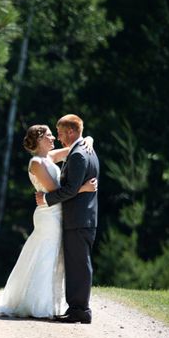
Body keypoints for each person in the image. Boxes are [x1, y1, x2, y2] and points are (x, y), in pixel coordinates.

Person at [0, 124, 96, 319]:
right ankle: (38, 305)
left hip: (57, 213)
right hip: (48, 215)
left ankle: (49, 304)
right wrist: (82, 188)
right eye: (49, 136)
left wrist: (89, 139)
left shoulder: (49, 158)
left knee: (53, 257)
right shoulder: (36, 163)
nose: (53, 138)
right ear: (39, 139)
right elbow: (55, 191)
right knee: (46, 256)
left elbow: (74, 147)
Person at [36, 114, 99, 324]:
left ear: (71, 132)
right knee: (76, 264)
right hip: (81, 219)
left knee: (79, 265)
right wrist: (89, 138)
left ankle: (80, 310)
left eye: (62, 134)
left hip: (79, 220)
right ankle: (76, 308)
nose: (60, 138)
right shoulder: (82, 149)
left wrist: (46, 198)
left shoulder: (79, 155)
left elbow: (71, 190)